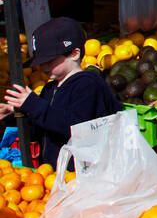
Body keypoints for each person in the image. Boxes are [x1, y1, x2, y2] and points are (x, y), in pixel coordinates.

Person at [0, 19, 121, 168]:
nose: (43, 67)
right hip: (54, 175)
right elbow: (41, 129)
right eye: (40, 62)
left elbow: (75, 127)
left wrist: (33, 104)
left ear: (74, 53)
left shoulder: (88, 84)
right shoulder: (49, 89)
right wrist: (13, 116)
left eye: (49, 61)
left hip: (84, 174)